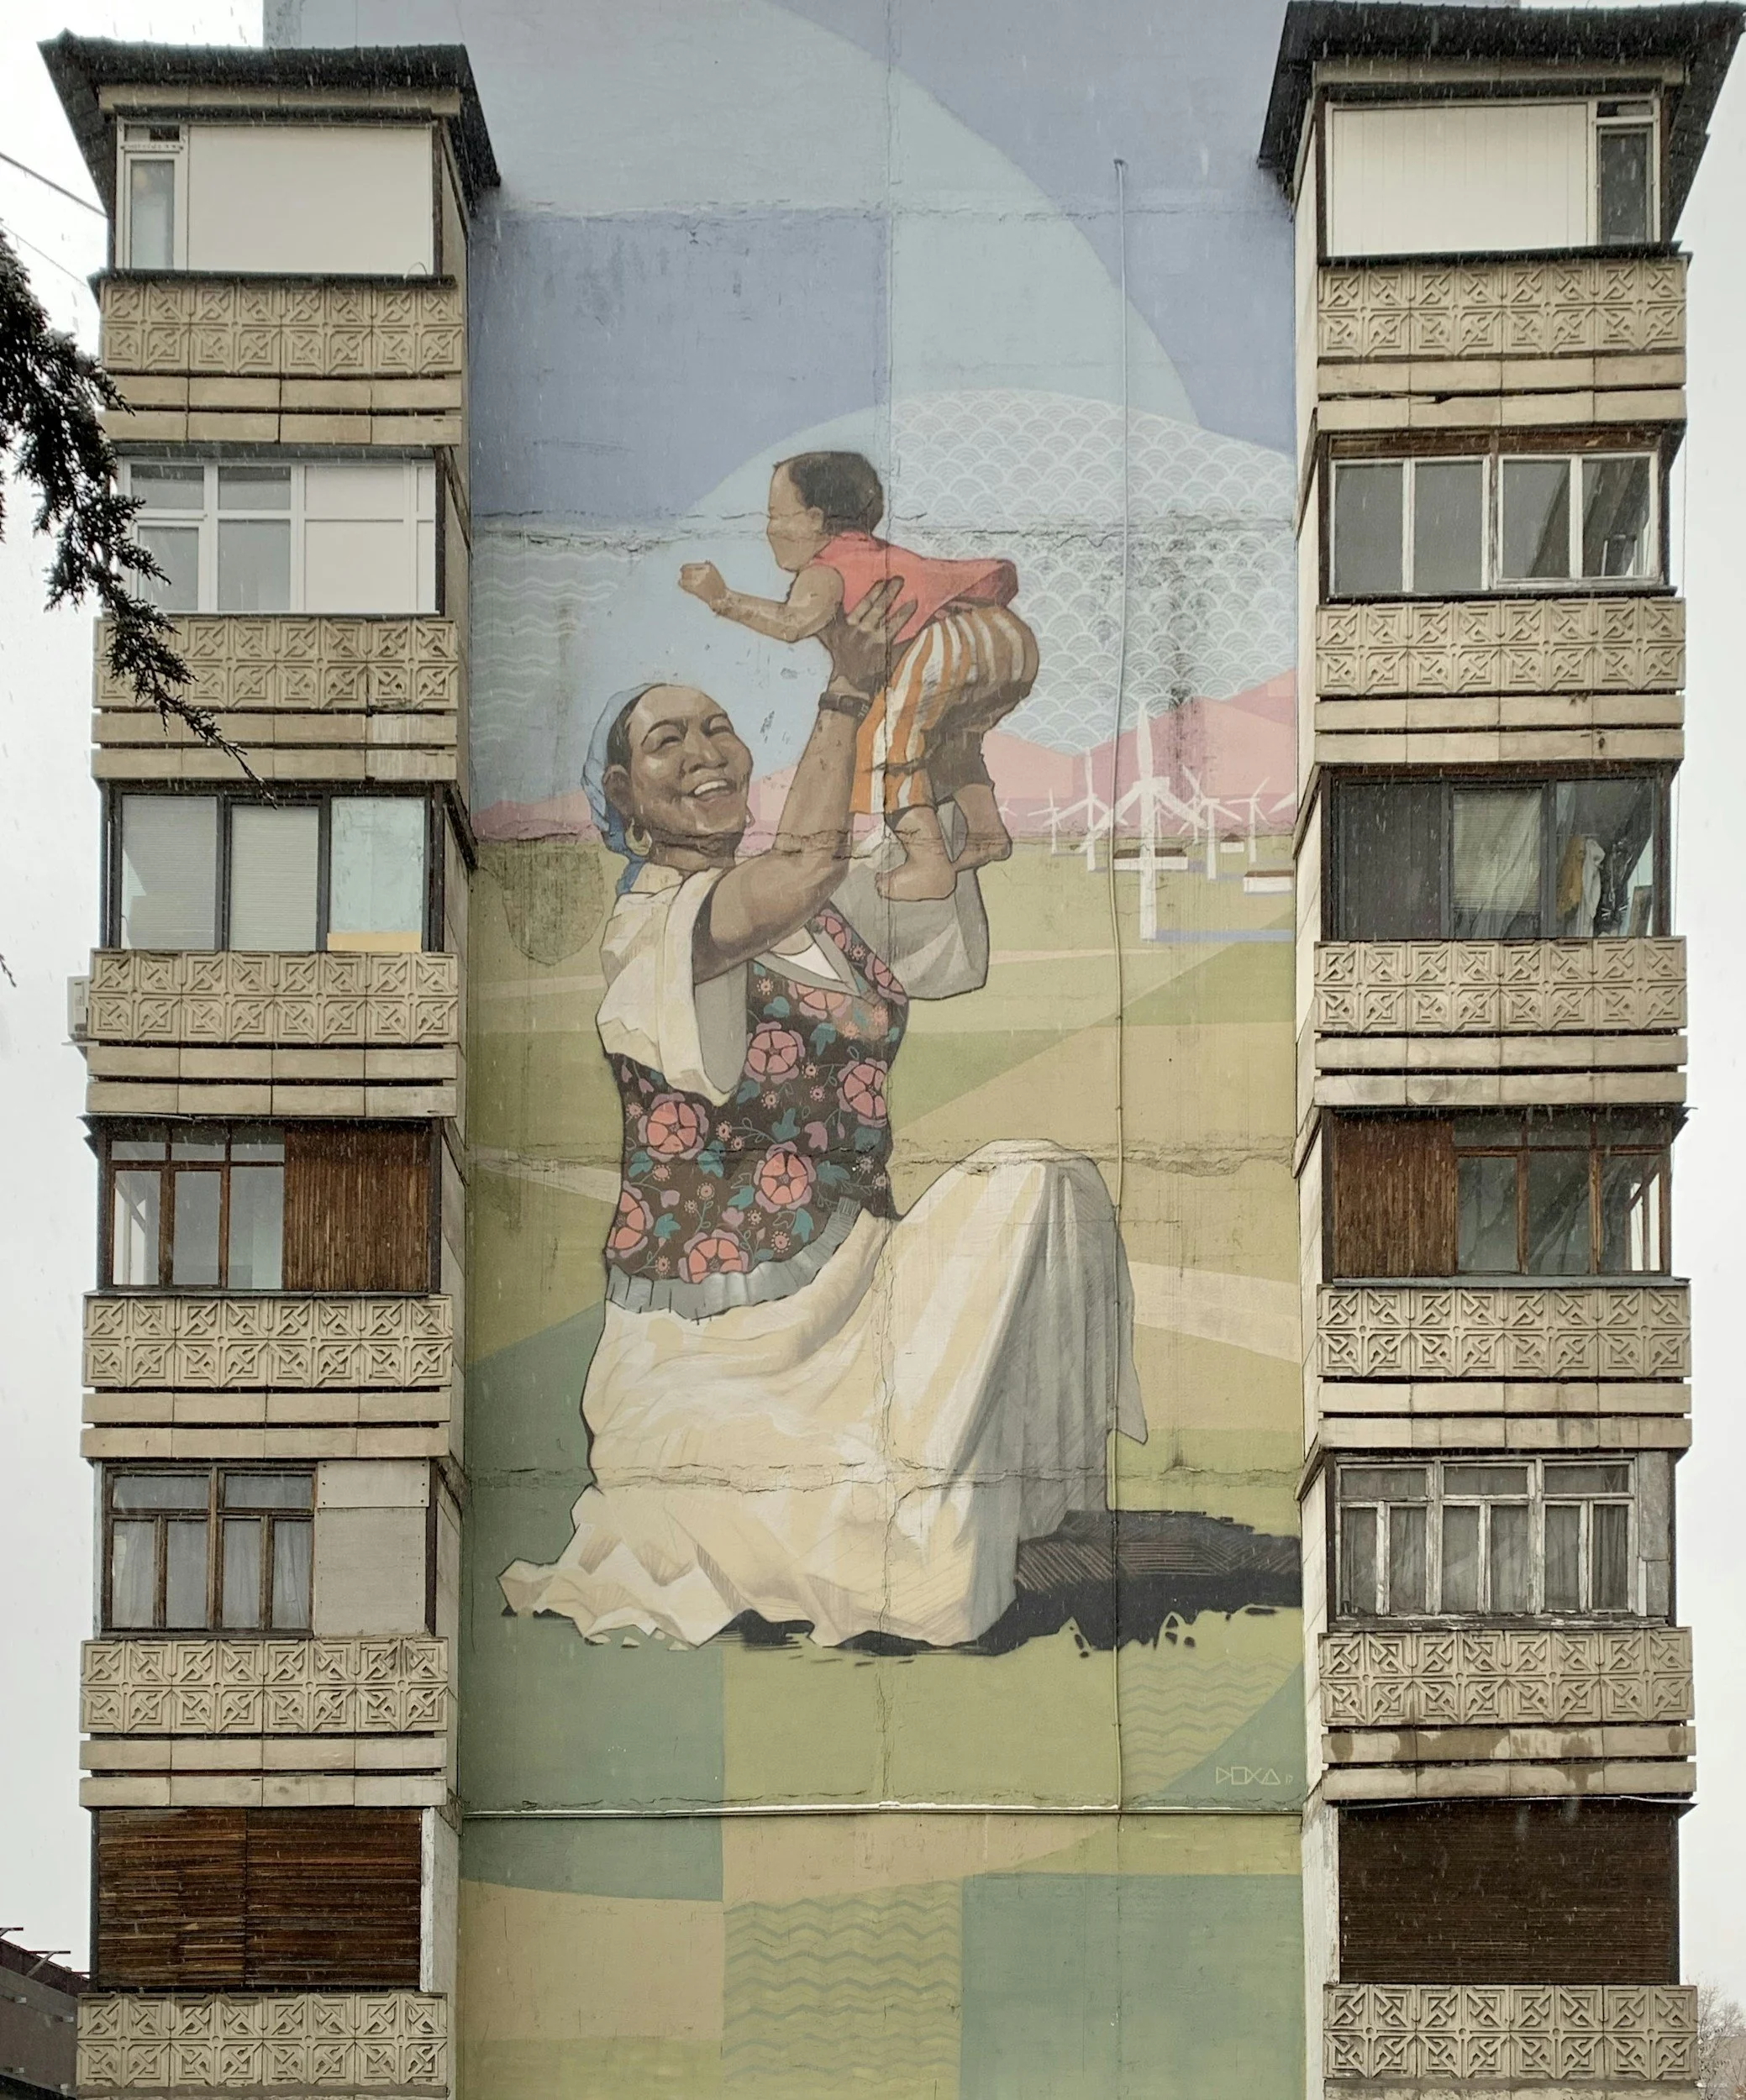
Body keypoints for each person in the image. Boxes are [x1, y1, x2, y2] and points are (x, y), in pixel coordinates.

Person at [498, 577, 1142, 1651]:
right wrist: (846, 692)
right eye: (667, 741)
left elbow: (940, 868)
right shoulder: (652, 930)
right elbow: (803, 864)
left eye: (715, 729)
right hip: (721, 1345)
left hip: (855, 1281)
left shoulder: (823, 914)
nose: (703, 750)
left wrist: (944, 724)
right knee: (909, 1583)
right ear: (624, 787)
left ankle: (977, 1504)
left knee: (1044, 1184)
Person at [677, 450, 1038, 902]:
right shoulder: (874, 555)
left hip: (948, 646)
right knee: (948, 742)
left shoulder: (826, 569)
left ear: (813, 519)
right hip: (1005, 639)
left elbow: (794, 624)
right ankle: (986, 831)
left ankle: (928, 864)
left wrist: (723, 599)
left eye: (775, 515)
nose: (768, 530)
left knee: (884, 745)